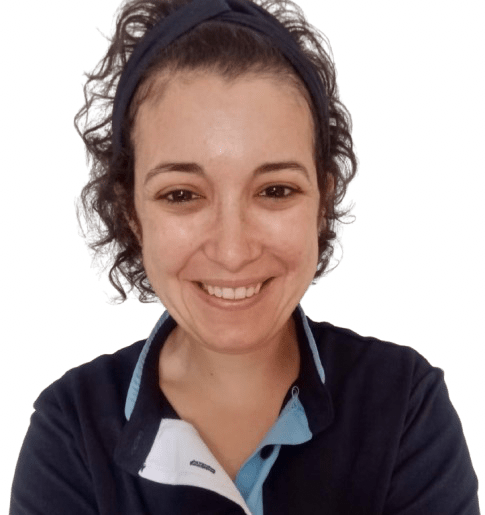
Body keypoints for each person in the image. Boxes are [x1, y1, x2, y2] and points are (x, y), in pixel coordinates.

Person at [9, 0, 480, 513]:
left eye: (275, 191)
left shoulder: (404, 403)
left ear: (322, 203)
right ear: (131, 213)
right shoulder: (71, 430)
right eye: (181, 195)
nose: (232, 252)